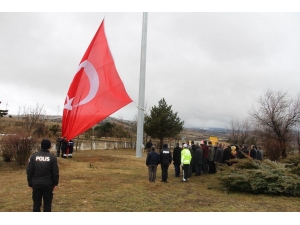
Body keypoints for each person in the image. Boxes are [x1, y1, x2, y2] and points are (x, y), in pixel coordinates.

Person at [26, 139, 59, 212]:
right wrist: (55, 183)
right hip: (48, 184)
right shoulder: (52, 157)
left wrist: (30, 184)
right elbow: (55, 172)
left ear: (41, 146)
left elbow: (29, 171)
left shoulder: (33, 156)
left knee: (36, 204)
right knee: (47, 204)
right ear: (49, 146)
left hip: (36, 184)